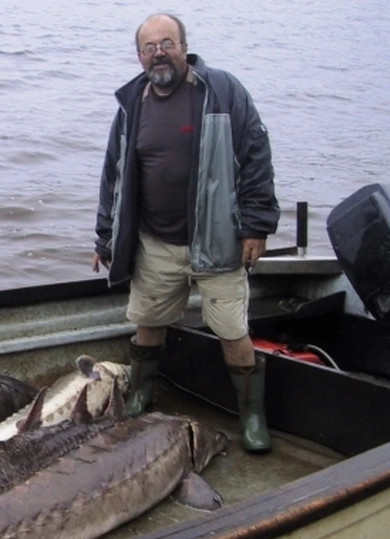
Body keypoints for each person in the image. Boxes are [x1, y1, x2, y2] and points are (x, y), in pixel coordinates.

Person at [92, 14, 280, 453]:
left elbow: (256, 156)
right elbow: (112, 178)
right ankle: (140, 395)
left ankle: (252, 416)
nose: (159, 52)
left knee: (234, 331)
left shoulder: (222, 91)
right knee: (148, 324)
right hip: (156, 243)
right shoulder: (131, 104)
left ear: (184, 46)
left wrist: (257, 225)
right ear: (139, 56)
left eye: (167, 43)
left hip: (217, 242)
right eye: (149, 47)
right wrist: (105, 238)